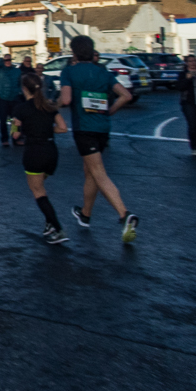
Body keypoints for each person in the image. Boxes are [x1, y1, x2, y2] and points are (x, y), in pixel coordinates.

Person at [59, 35, 139, 243]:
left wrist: (51, 104)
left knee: (98, 172)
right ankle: (85, 214)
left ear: (74, 52)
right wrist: (110, 110)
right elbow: (126, 96)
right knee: (90, 172)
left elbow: (66, 99)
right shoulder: (103, 72)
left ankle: (124, 215)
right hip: (103, 129)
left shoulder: (69, 71)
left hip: (84, 129)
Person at [11, 73, 69, 244]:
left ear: (24, 89)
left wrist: (15, 125)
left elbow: (15, 135)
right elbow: (63, 128)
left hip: (34, 153)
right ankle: (49, 223)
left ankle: (58, 229)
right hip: (51, 152)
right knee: (41, 187)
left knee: (38, 192)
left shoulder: (21, 109)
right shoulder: (50, 106)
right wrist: (48, 130)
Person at [0, 54, 24, 146]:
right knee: (3, 120)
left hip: (15, 98)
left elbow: (20, 83)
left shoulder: (17, 71)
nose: (8, 61)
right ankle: (4, 139)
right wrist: (1, 59)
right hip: (2, 99)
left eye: (9, 60)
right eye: (6, 60)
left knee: (15, 120)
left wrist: (20, 94)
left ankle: (16, 138)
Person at [176, 54, 196, 156]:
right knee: (192, 125)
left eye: (194, 61)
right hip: (188, 103)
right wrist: (188, 78)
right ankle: (194, 147)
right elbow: (180, 87)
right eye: (190, 61)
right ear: (186, 63)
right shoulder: (183, 74)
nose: (193, 63)